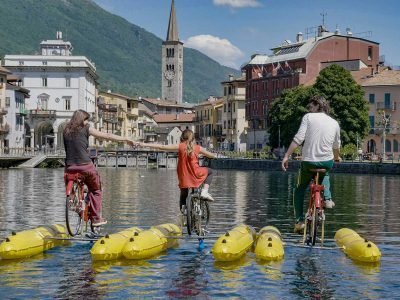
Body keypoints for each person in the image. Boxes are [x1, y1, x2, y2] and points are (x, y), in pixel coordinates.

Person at [63, 109, 134, 226]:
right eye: (86, 120)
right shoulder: (86, 128)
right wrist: (126, 139)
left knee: (72, 184)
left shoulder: (65, 129)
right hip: (85, 166)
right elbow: (107, 136)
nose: (87, 122)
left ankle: (75, 203)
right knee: (96, 190)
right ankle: (96, 218)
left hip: (69, 167)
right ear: (82, 119)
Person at [281, 96, 341, 233]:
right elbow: (336, 146)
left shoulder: (308, 117)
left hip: (308, 162)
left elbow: (299, 138)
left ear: (316, 106)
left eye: (311, 107)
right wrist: (336, 158)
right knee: (325, 172)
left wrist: (286, 156)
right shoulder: (335, 123)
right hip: (327, 162)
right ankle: (327, 198)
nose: (309, 109)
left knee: (299, 188)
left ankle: (299, 221)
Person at [136, 129, 217, 211]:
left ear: (182, 137)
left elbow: (162, 147)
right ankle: (204, 191)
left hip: (183, 175)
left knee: (183, 192)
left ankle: (183, 210)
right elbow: (210, 155)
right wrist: (214, 156)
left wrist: (143, 144)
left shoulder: (180, 146)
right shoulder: (197, 148)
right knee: (210, 172)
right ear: (193, 138)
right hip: (196, 173)